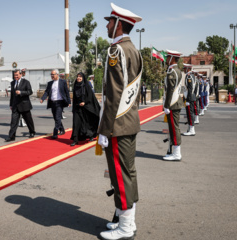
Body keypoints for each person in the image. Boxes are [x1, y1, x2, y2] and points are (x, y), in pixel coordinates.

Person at [97, 3, 143, 240]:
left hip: (117, 124)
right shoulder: (133, 50)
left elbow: (114, 95)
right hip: (129, 121)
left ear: (119, 24)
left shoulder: (116, 51)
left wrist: (105, 129)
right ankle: (127, 221)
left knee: (121, 175)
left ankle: (126, 228)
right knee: (127, 173)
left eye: (110, 21)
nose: (106, 25)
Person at [162, 49, 184, 161]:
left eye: (168, 57)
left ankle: (176, 154)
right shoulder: (177, 70)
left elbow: (170, 91)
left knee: (174, 129)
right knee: (173, 128)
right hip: (175, 103)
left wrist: (166, 106)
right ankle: (174, 152)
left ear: (172, 58)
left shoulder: (172, 72)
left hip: (172, 104)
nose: (166, 59)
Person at [70, 72, 100, 146]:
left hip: (86, 108)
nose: (78, 78)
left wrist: (84, 102)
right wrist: (73, 109)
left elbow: (90, 96)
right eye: (77, 76)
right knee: (76, 123)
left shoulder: (86, 86)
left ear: (83, 78)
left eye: (80, 76)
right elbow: (74, 98)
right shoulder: (76, 86)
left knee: (87, 123)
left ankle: (91, 135)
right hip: (77, 108)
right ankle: (75, 139)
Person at [5, 69, 35, 142]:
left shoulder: (26, 82)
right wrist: (11, 105)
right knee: (13, 121)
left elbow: (30, 92)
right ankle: (11, 136)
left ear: (21, 74)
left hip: (24, 105)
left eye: (17, 75)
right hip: (15, 106)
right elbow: (12, 95)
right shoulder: (12, 83)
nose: (16, 76)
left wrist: (21, 92)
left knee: (28, 120)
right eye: (15, 75)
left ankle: (32, 132)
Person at [40, 69, 71, 139]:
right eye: (51, 74)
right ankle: (62, 129)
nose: (52, 76)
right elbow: (46, 92)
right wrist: (42, 98)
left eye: (53, 74)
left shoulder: (62, 82)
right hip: (53, 103)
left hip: (60, 103)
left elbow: (67, 92)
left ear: (57, 74)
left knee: (57, 118)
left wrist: (69, 102)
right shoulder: (50, 83)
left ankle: (55, 132)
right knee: (56, 118)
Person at [182, 71, 196, 136]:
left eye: (185, 68)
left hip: (190, 98)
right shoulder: (193, 76)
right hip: (192, 97)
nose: (184, 69)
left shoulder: (189, 76)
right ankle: (190, 129)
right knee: (190, 114)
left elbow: (190, 89)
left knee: (190, 114)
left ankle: (191, 130)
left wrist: (188, 99)